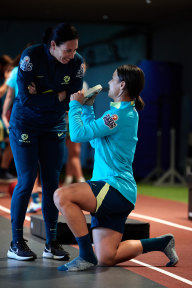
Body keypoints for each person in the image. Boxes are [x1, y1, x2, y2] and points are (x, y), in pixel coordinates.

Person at [53, 64, 179, 271]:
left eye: (112, 79)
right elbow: (94, 141)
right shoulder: (120, 113)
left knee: (62, 196)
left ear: (122, 85)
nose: (108, 83)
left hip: (113, 188)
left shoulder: (119, 116)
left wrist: (75, 105)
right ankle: (161, 242)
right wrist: (86, 108)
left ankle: (85, 255)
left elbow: (76, 135)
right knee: (107, 257)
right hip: (120, 193)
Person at [7, 22, 84, 261]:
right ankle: (16, 243)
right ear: (53, 45)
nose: (72, 56)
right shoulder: (31, 57)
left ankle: (52, 243)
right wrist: (58, 95)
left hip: (54, 127)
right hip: (25, 125)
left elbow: (72, 100)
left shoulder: (77, 63)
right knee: (27, 180)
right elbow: (26, 100)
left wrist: (42, 94)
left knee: (52, 185)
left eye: (74, 50)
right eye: (67, 50)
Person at [2, 44, 42, 212]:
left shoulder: (43, 70)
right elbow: (9, 95)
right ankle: (31, 197)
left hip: (38, 117)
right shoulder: (15, 72)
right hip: (20, 118)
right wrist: (5, 117)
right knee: (27, 161)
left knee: (36, 159)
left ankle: (34, 198)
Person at [0, 55, 16, 182]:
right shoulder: (5, 82)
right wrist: (8, 81)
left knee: (11, 141)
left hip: (4, 118)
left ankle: (3, 169)